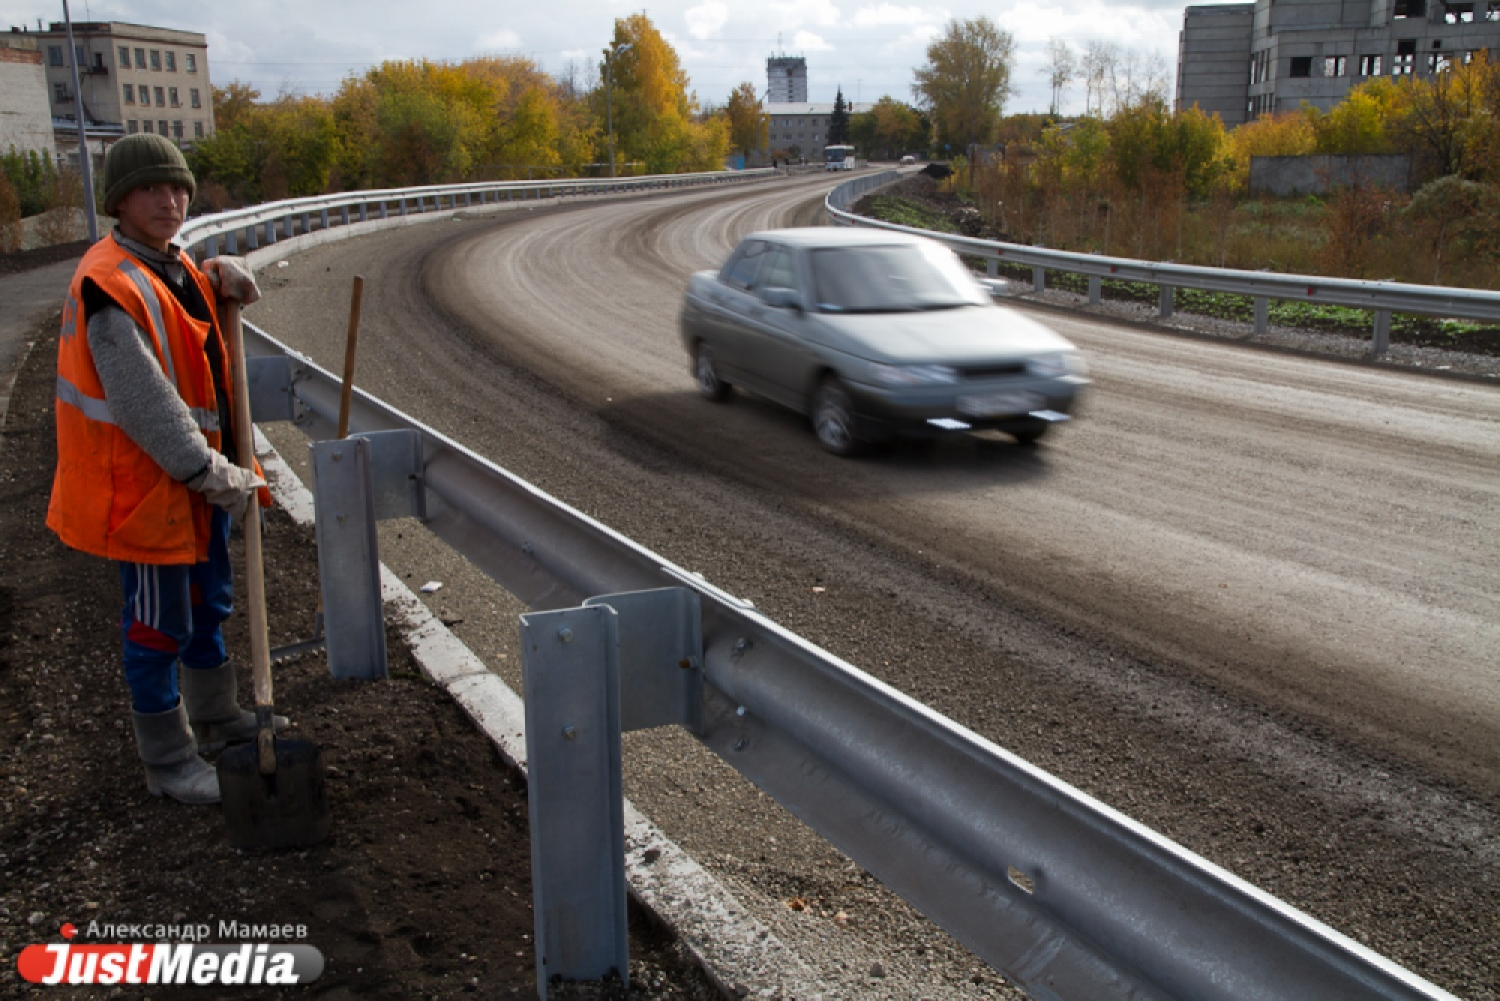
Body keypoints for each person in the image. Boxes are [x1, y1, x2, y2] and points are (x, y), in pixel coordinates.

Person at [47, 133, 285, 805]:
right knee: (157, 626)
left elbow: (180, 312)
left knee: (210, 602)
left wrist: (214, 276)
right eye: (153, 189)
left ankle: (216, 715)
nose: (170, 200)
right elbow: (143, 400)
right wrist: (208, 469)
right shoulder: (106, 286)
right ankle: (170, 758)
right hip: (146, 488)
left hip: (193, 483)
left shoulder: (165, 262)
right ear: (120, 199)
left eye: (178, 188)